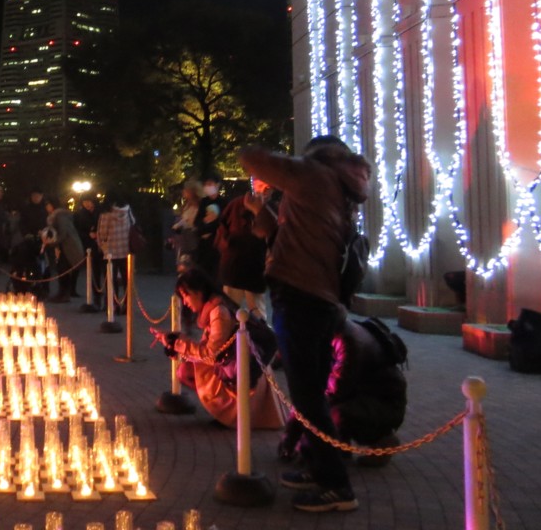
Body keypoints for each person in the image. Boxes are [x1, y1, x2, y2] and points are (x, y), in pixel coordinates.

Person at [238, 135, 371, 512]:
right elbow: (277, 237)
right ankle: (318, 466)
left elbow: (252, 156)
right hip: (318, 300)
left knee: (308, 396)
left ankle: (336, 486)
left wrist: (278, 166)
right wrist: (259, 211)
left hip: (300, 298)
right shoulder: (334, 189)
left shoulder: (314, 175)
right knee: (309, 392)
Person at [150, 268, 284, 429]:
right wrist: (174, 342)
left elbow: (210, 354)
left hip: (241, 370)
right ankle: (226, 413)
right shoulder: (212, 308)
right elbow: (208, 350)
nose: (184, 302)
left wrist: (178, 343)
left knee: (189, 371)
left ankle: (231, 413)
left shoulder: (218, 312)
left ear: (198, 292)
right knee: (186, 370)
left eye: (186, 295)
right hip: (234, 365)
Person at [279, 312, 407, 467]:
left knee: (336, 413)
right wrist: (290, 435)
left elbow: (331, 393)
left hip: (384, 403)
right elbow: (312, 388)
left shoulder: (348, 342)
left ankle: (381, 439)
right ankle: (338, 449)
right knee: (325, 403)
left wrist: (304, 445)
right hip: (361, 395)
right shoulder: (333, 332)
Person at [214, 178, 270, 321]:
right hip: (235, 266)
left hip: (255, 268)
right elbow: (222, 229)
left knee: (258, 316)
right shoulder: (237, 205)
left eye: (268, 187)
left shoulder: (270, 209)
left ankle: (259, 340)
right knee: (230, 314)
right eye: (260, 184)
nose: (264, 190)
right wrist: (227, 244)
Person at [42, 196, 84, 302]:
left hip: (69, 246)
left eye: (48, 205)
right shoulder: (57, 216)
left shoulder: (60, 216)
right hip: (64, 246)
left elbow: (63, 233)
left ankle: (63, 294)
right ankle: (63, 293)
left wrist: (52, 242)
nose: (46, 207)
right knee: (62, 269)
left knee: (63, 270)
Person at [96, 191, 133, 306]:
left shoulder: (106, 214)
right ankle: (127, 305)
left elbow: (102, 233)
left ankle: (113, 306)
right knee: (127, 280)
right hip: (126, 249)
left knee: (112, 281)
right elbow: (133, 223)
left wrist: (101, 244)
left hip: (111, 251)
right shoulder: (128, 210)